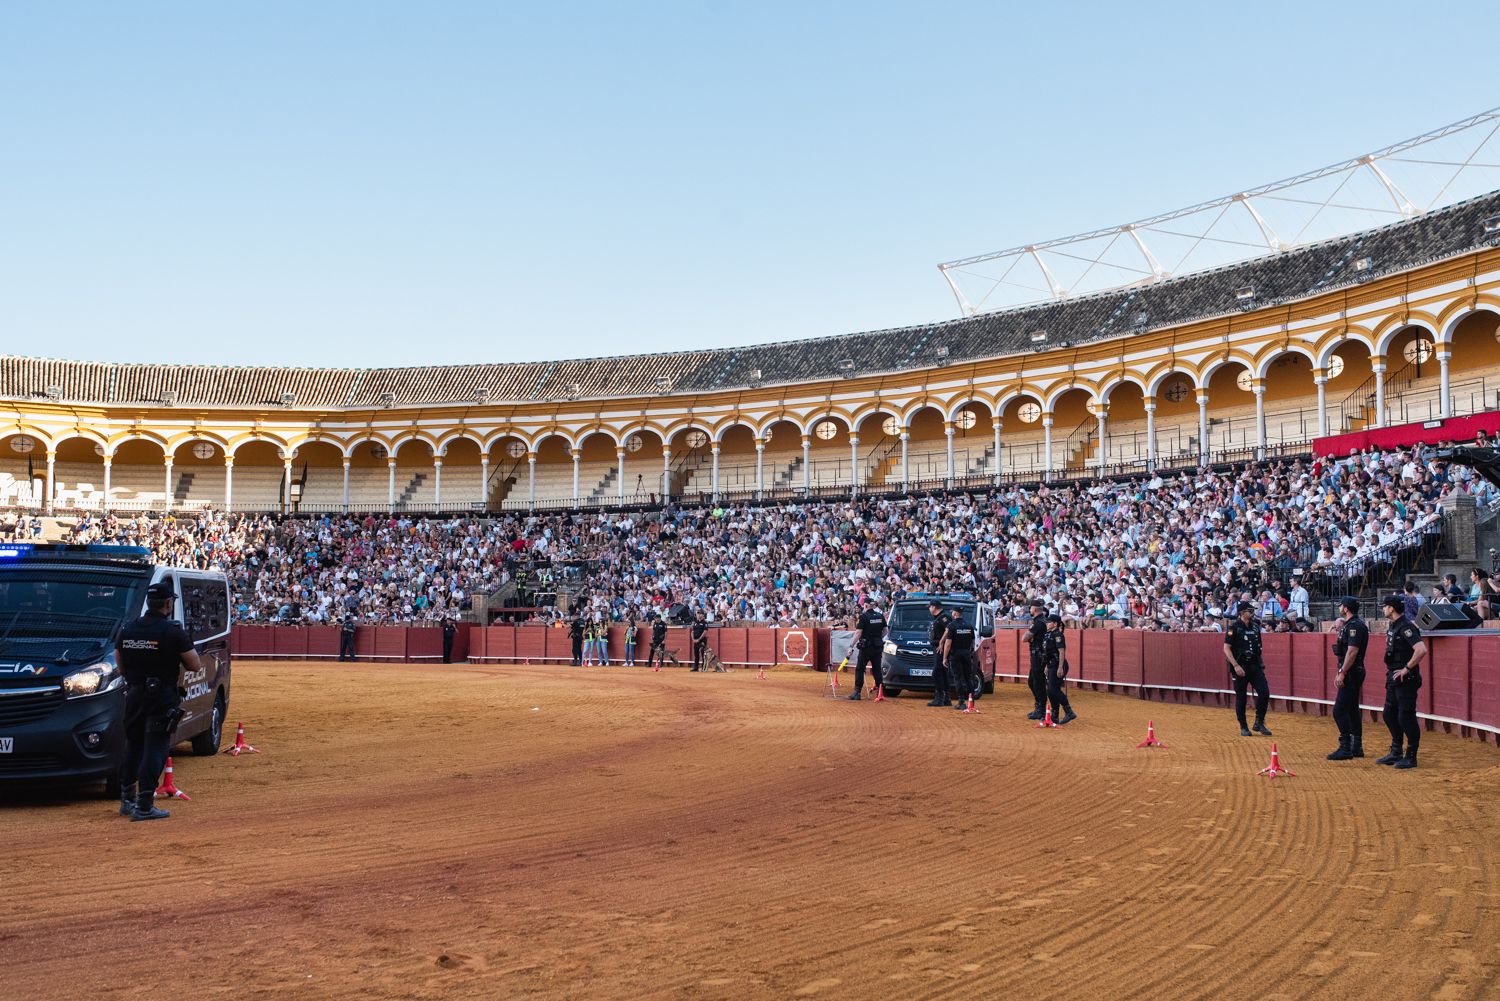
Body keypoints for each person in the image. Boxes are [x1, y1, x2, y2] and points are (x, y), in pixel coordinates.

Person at [116, 581, 200, 822]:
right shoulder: (172, 631)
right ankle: (144, 805)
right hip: (160, 697)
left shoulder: (129, 628)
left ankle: (127, 801)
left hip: (134, 694)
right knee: (155, 748)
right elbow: (194, 665)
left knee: (133, 745)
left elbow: (119, 661)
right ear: (168, 604)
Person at [1377, 594, 1427, 769]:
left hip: (1406, 678)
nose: (1383, 609)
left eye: (1385, 606)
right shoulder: (1395, 625)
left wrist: (1407, 668)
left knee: (1406, 716)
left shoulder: (1406, 626)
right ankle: (1396, 751)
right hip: (1394, 676)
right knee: (1389, 714)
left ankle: (1411, 756)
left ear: (1391, 608)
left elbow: (1421, 649)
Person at [1326, 597, 1368, 760]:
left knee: (1339, 710)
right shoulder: (1353, 625)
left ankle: (1346, 747)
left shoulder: (1353, 626)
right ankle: (1356, 746)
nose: (1340, 608)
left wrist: (1342, 672)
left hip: (1351, 672)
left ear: (1346, 608)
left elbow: (1352, 651)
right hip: (1354, 671)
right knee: (1351, 709)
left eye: (1341, 606)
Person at [1224, 603, 1272, 737]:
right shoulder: (1234, 627)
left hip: (1255, 665)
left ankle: (1259, 722)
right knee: (1241, 697)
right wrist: (1235, 665)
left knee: (1264, 692)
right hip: (1240, 666)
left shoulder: (1255, 627)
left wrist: (1260, 663)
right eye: (1249, 610)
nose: (1251, 612)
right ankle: (1243, 726)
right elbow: (1226, 648)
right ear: (1241, 612)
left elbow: (1258, 648)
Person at [848, 596, 887, 700]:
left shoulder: (864, 617)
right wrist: (878, 638)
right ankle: (880, 692)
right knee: (877, 669)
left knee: (860, 668)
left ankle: (857, 692)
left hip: (866, 647)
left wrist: (851, 646)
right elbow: (886, 630)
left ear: (865, 606)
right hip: (877, 646)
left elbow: (858, 633)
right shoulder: (880, 616)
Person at [1041, 613, 1076, 724]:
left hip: (1058, 665)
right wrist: (1047, 666)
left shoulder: (1058, 635)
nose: (1047, 624)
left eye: (1049, 622)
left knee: (1053, 690)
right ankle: (1055, 715)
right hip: (1052, 665)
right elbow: (1048, 653)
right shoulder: (1049, 634)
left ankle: (1069, 712)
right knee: (1050, 691)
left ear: (1055, 624)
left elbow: (1061, 652)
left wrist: (1060, 667)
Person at [946, 607, 978, 710]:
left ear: (955, 613)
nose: (951, 614)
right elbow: (973, 641)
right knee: (968, 677)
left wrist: (945, 657)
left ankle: (961, 701)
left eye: (952, 612)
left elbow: (948, 644)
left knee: (958, 678)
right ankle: (971, 700)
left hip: (955, 654)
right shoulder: (969, 625)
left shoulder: (952, 625)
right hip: (966, 653)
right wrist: (970, 652)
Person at [1023, 599, 1048, 720]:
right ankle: (1039, 706)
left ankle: (1041, 709)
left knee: (1037, 681)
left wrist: (1030, 638)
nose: (1030, 609)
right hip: (1039, 654)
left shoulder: (1038, 622)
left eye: (1031, 607)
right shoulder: (1042, 620)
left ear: (1034, 609)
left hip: (1038, 654)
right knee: (1033, 680)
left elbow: (1024, 638)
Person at [925, 599, 952, 707]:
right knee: (942, 673)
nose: (929, 609)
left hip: (941, 648)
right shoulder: (938, 617)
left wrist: (941, 642)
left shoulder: (944, 617)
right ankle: (946, 698)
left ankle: (939, 698)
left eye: (930, 607)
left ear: (934, 607)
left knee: (936, 673)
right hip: (938, 647)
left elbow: (948, 630)